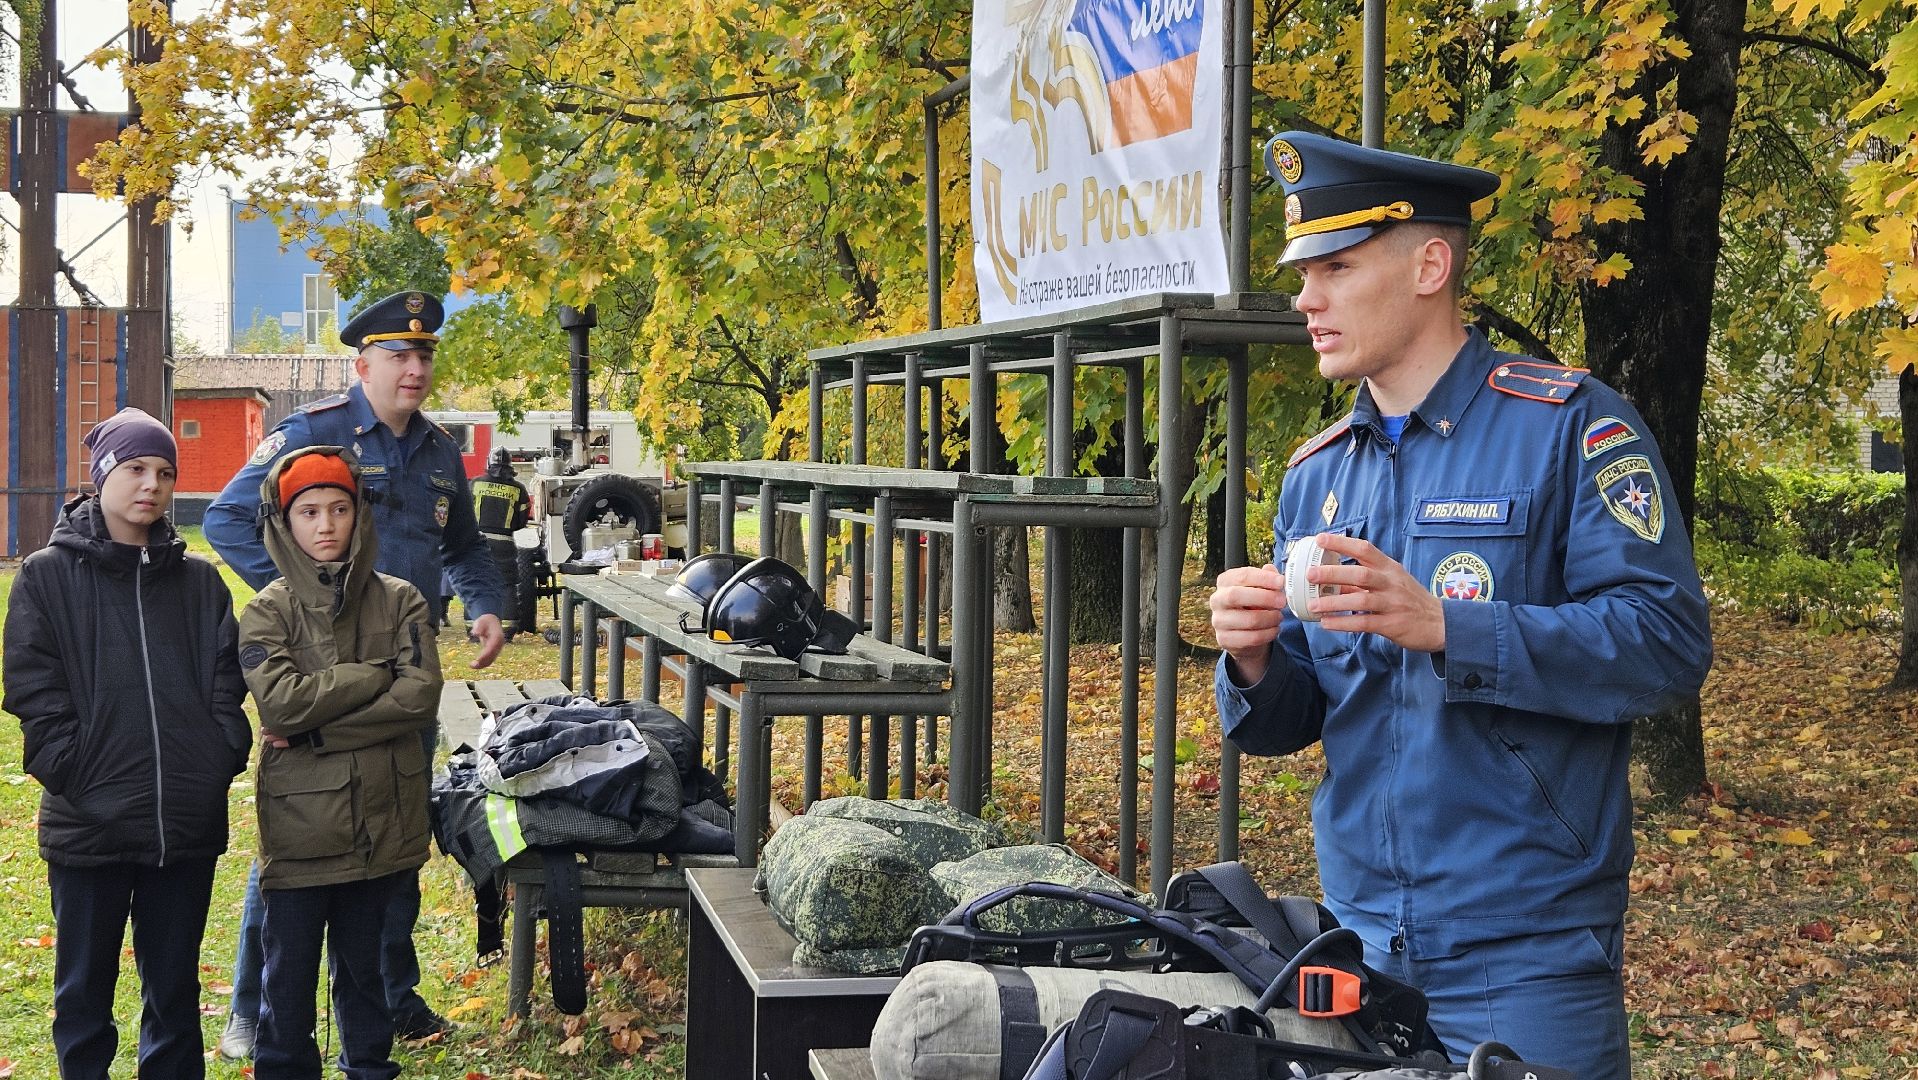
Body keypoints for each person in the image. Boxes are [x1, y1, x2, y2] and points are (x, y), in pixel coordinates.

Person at [1208, 132, 1713, 1080]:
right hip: (1358, 945)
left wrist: (1449, 626)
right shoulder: (1316, 475)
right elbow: (1302, 714)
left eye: (1336, 268)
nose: (1306, 299)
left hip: (1528, 953)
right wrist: (1252, 661)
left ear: (1430, 264)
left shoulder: (1569, 426)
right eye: (1303, 274)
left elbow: (1668, 640)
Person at [205, 290, 505, 1055]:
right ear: (362, 364)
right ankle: (255, 1007)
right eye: (399, 355)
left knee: (392, 830)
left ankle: (389, 1000)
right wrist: (302, 602)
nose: (415, 368)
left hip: (400, 665)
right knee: (306, 834)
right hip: (316, 669)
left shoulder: (439, 452)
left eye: (426, 354)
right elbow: (230, 518)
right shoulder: (316, 435)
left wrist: (485, 605)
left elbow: (465, 546)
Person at [3, 408, 252, 1078]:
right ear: (103, 474)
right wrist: (80, 774)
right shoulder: (46, 577)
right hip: (87, 829)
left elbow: (226, 685)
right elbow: (34, 693)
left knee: (173, 996)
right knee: (83, 996)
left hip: (183, 827)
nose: (152, 484)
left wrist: (216, 758)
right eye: (137, 468)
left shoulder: (199, 584)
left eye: (165, 472)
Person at [238, 446, 443, 1079]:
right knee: (289, 980)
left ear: (359, 515)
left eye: (339, 508)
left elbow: (419, 698)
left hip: (383, 827)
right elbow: (282, 705)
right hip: (301, 835)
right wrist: (373, 674)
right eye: (308, 512)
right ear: (283, 522)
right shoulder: (265, 611)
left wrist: (317, 735)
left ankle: (370, 1068)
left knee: (368, 975)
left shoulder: (401, 600)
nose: (325, 525)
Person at [471, 447, 532, 633]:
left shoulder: (474, 484)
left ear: (489, 464)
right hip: (505, 544)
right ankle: (507, 628)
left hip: (478, 543)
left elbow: (463, 512)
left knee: (477, 583)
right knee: (506, 584)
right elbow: (522, 522)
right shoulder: (519, 489)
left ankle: (474, 629)